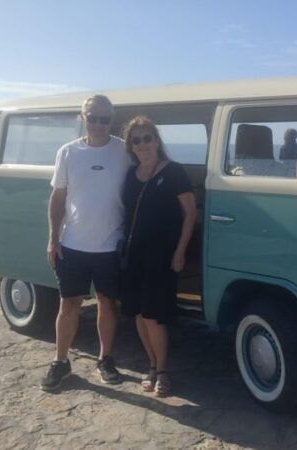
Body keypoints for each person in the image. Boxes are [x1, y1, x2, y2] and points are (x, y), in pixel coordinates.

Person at [41, 95, 133, 391]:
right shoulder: (67, 152)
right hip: (73, 244)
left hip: (110, 244)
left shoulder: (123, 150)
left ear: (112, 120)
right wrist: (53, 238)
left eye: (104, 119)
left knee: (108, 303)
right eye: (92, 117)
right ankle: (60, 361)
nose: (98, 124)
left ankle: (105, 359)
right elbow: (57, 198)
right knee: (69, 304)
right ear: (82, 117)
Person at [121, 115, 196, 397]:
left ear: (156, 140)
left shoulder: (174, 171)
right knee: (139, 314)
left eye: (147, 138)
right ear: (131, 145)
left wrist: (180, 251)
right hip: (134, 254)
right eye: (136, 140)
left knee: (154, 316)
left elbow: (190, 213)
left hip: (161, 255)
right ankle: (151, 365)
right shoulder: (130, 175)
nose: (143, 145)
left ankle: (162, 369)